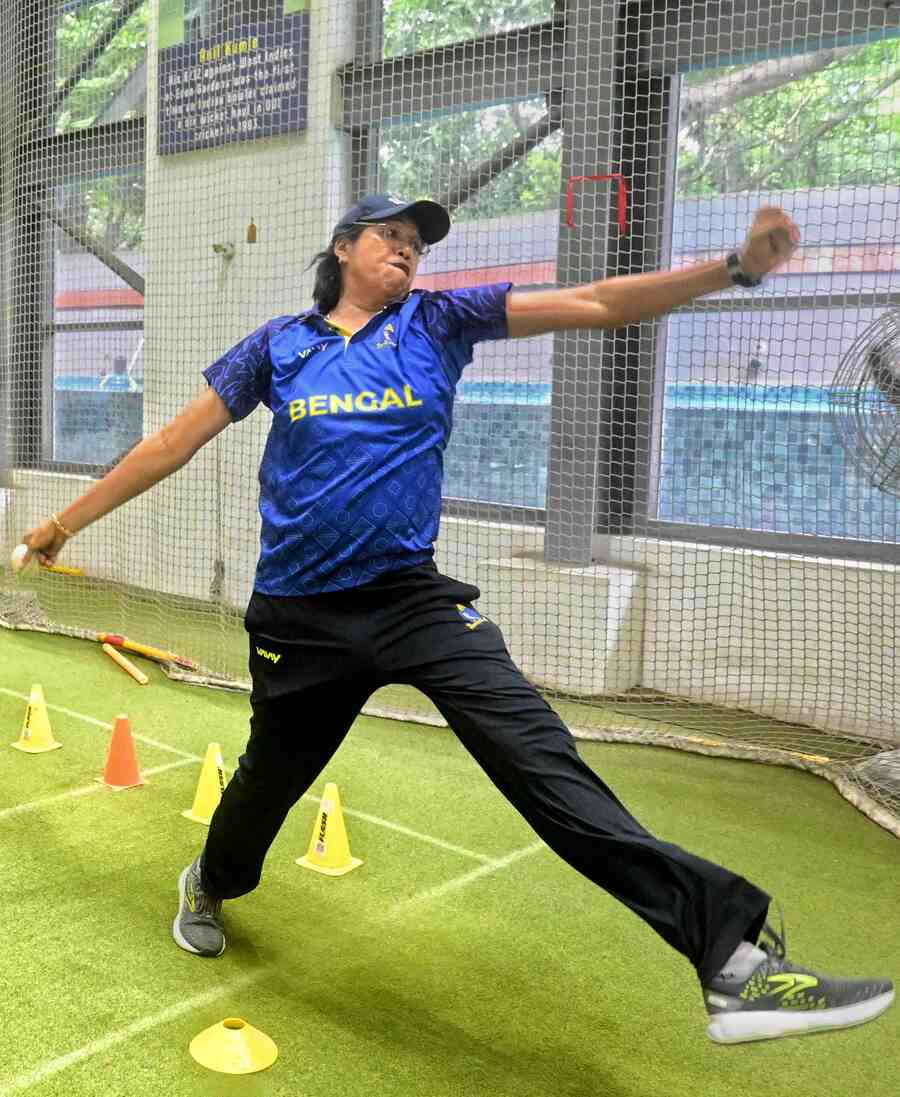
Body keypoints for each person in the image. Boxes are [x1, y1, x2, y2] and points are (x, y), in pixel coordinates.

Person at [20, 194, 894, 1046]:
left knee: (544, 764)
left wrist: (732, 269)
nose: (407, 250)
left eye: (417, 243)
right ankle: (210, 881)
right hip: (302, 615)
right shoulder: (280, 347)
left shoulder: (439, 323)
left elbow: (592, 302)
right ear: (342, 248)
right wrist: (64, 522)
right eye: (390, 236)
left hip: (414, 602)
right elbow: (172, 441)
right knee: (262, 788)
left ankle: (732, 963)